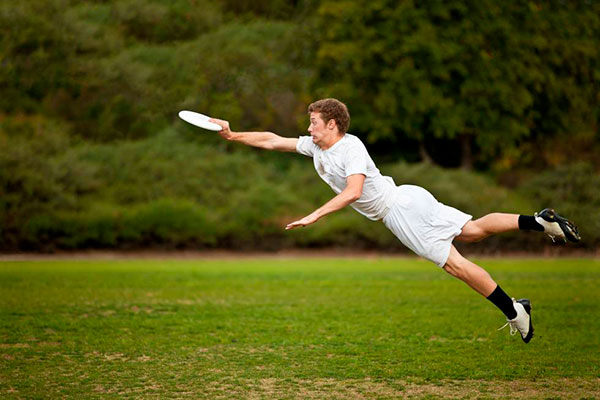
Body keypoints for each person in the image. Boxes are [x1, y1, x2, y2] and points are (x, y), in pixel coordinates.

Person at [210, 98, 580, 344]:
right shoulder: (317, 147)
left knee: (457, 265)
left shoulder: (350, 148)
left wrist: (316, 214)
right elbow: (273, 141)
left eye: (314, 123)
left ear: (333, 124)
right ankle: (539, 221)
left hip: (399, 212)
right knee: (472, 231)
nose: (308, 129)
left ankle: (516, 311)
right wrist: (233, 134)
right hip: (409, 196)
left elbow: (354, 191)